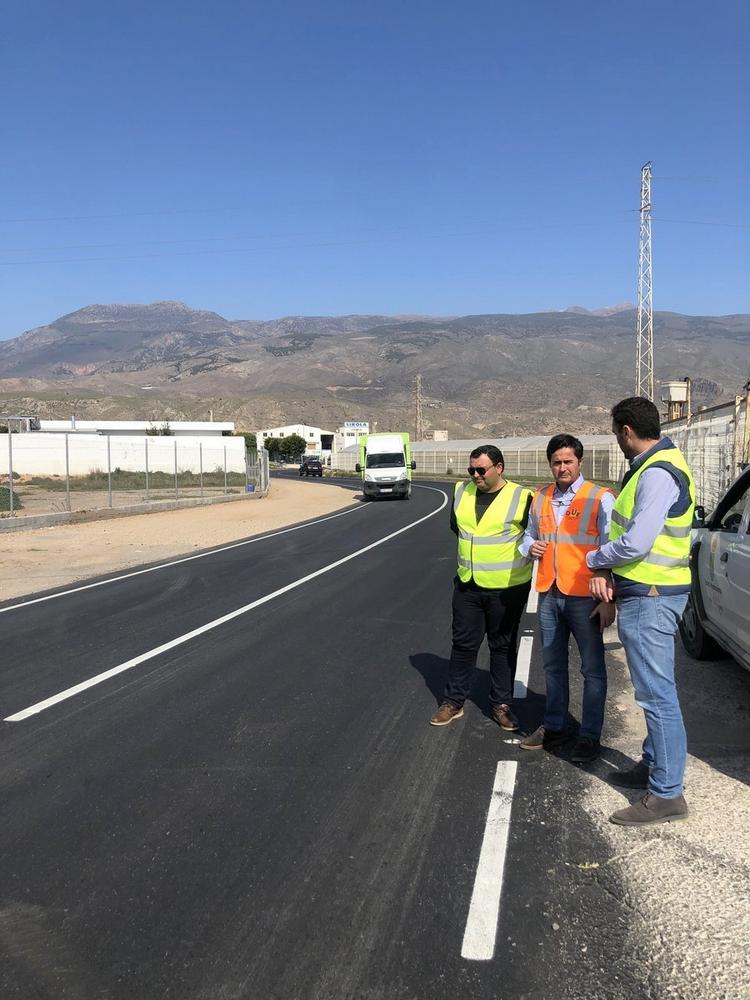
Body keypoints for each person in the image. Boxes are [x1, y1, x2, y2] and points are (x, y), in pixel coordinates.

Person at [588, 396, 695, 827]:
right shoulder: (653, 467)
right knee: (654, 690)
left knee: (656, 694)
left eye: (616, 432)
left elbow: (636, 542)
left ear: (627, 431)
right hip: (649, 591)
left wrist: (596, 559)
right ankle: (654, 765)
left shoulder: (656, 474)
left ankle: (667, 794)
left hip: (652, 594)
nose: (617, 439)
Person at [518, 434, 615, 762]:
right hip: (549, 592)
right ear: (550, 464)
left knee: (592, 669)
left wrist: (609, 599)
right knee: (553, 665)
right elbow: (528, 535)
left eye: (568, 461)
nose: (562, 468)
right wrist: (529, 547)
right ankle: (555, 726)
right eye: (556, 462)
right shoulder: (540, 497)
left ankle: (589, 736)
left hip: (586, 596)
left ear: (579, 462)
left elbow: (612, 548)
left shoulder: (599, 498)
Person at [430, 445, 533, 730]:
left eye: (481, 470)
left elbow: (532, 536)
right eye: (471, 470)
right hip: (468, 584)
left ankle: (501, 705)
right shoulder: (461, 491)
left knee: (502, 646)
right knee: (463, 643)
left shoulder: (522, 497)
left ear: (499, 468)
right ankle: (453, 701)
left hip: (507, 588)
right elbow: (458, 528)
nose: (475, 475)